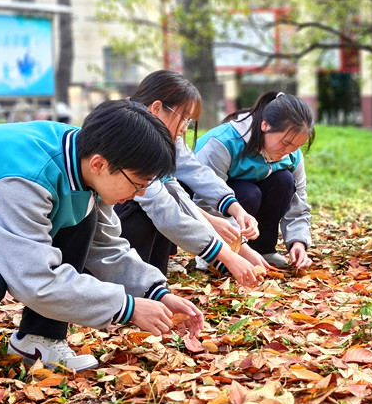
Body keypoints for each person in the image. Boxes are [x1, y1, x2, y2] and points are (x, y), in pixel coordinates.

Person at [0, 99, 203, 372]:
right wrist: (127, 308)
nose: (139, 194)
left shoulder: (84, 157)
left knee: (80, 219)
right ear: (100, 164)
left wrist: (157, 293)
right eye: (137, 183)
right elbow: (35, 281)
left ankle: (40, 339)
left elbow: (107, 247)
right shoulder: (24, 179)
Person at [114, 70, 266, 285]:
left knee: (173, 197)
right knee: (146, 211)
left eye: (189, 120)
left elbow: (189, 175)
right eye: (183, 118)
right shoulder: (133, 136)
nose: (185, 127)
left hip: (136, 209)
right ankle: (131, 282)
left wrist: (233, 211)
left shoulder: (160, 134)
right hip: (105, 220)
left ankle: (153, 283)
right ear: (157, 108)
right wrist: (227, 254)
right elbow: (162, 205)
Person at [194, 92, 315, 269]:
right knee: (249, 193)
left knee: (284, 181)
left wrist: (299, 242)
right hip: (219, 206)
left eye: (297, 146)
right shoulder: (222, 143)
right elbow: (204, 201)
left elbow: (299, 204)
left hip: (249, 205)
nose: (290, 151)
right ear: (264, 125)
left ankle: (263, 249)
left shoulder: (292, 154)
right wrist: (236, 248)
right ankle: (215, 255)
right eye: (286, 143)